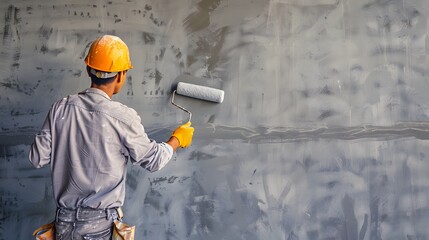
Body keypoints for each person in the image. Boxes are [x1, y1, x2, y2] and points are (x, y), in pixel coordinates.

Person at [28, 35, 194, 239]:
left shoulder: (60, 108)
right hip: (99, 228)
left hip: (64, 225)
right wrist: (177, 139)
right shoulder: (123, 117)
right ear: (121, 75)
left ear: (89, 69)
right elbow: (154, 160)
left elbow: (37, 158)